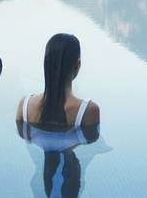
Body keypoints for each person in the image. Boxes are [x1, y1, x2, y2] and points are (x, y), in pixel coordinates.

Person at [17, 33, 100, 197]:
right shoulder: (88, 111)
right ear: (77, 65)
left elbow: (23, 135)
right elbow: (91, 139)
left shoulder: (24, 106)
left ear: (46, 64)